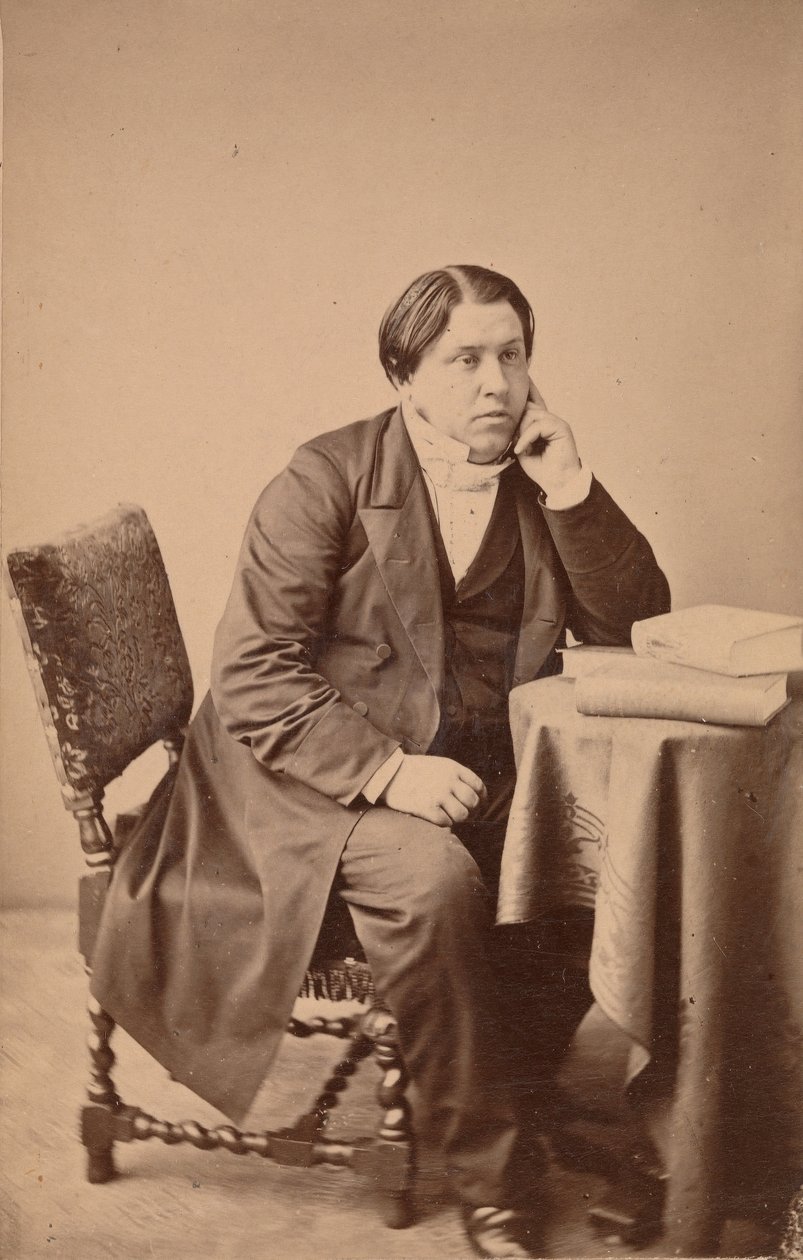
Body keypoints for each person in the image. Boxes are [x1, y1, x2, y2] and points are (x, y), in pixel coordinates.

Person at [92, 265, 670, 1257]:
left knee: (603, 843)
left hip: (471, 765)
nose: (496, 384)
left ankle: (511, 1091)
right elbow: (252, 673)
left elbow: (633, 624)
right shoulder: (324, 478)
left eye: (511, 355)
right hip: (302, 781)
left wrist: (573, 490)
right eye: (464, 360)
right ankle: (489, 1174)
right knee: (432, 880)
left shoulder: (536, 476)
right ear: (404, 375)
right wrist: (390, 773)